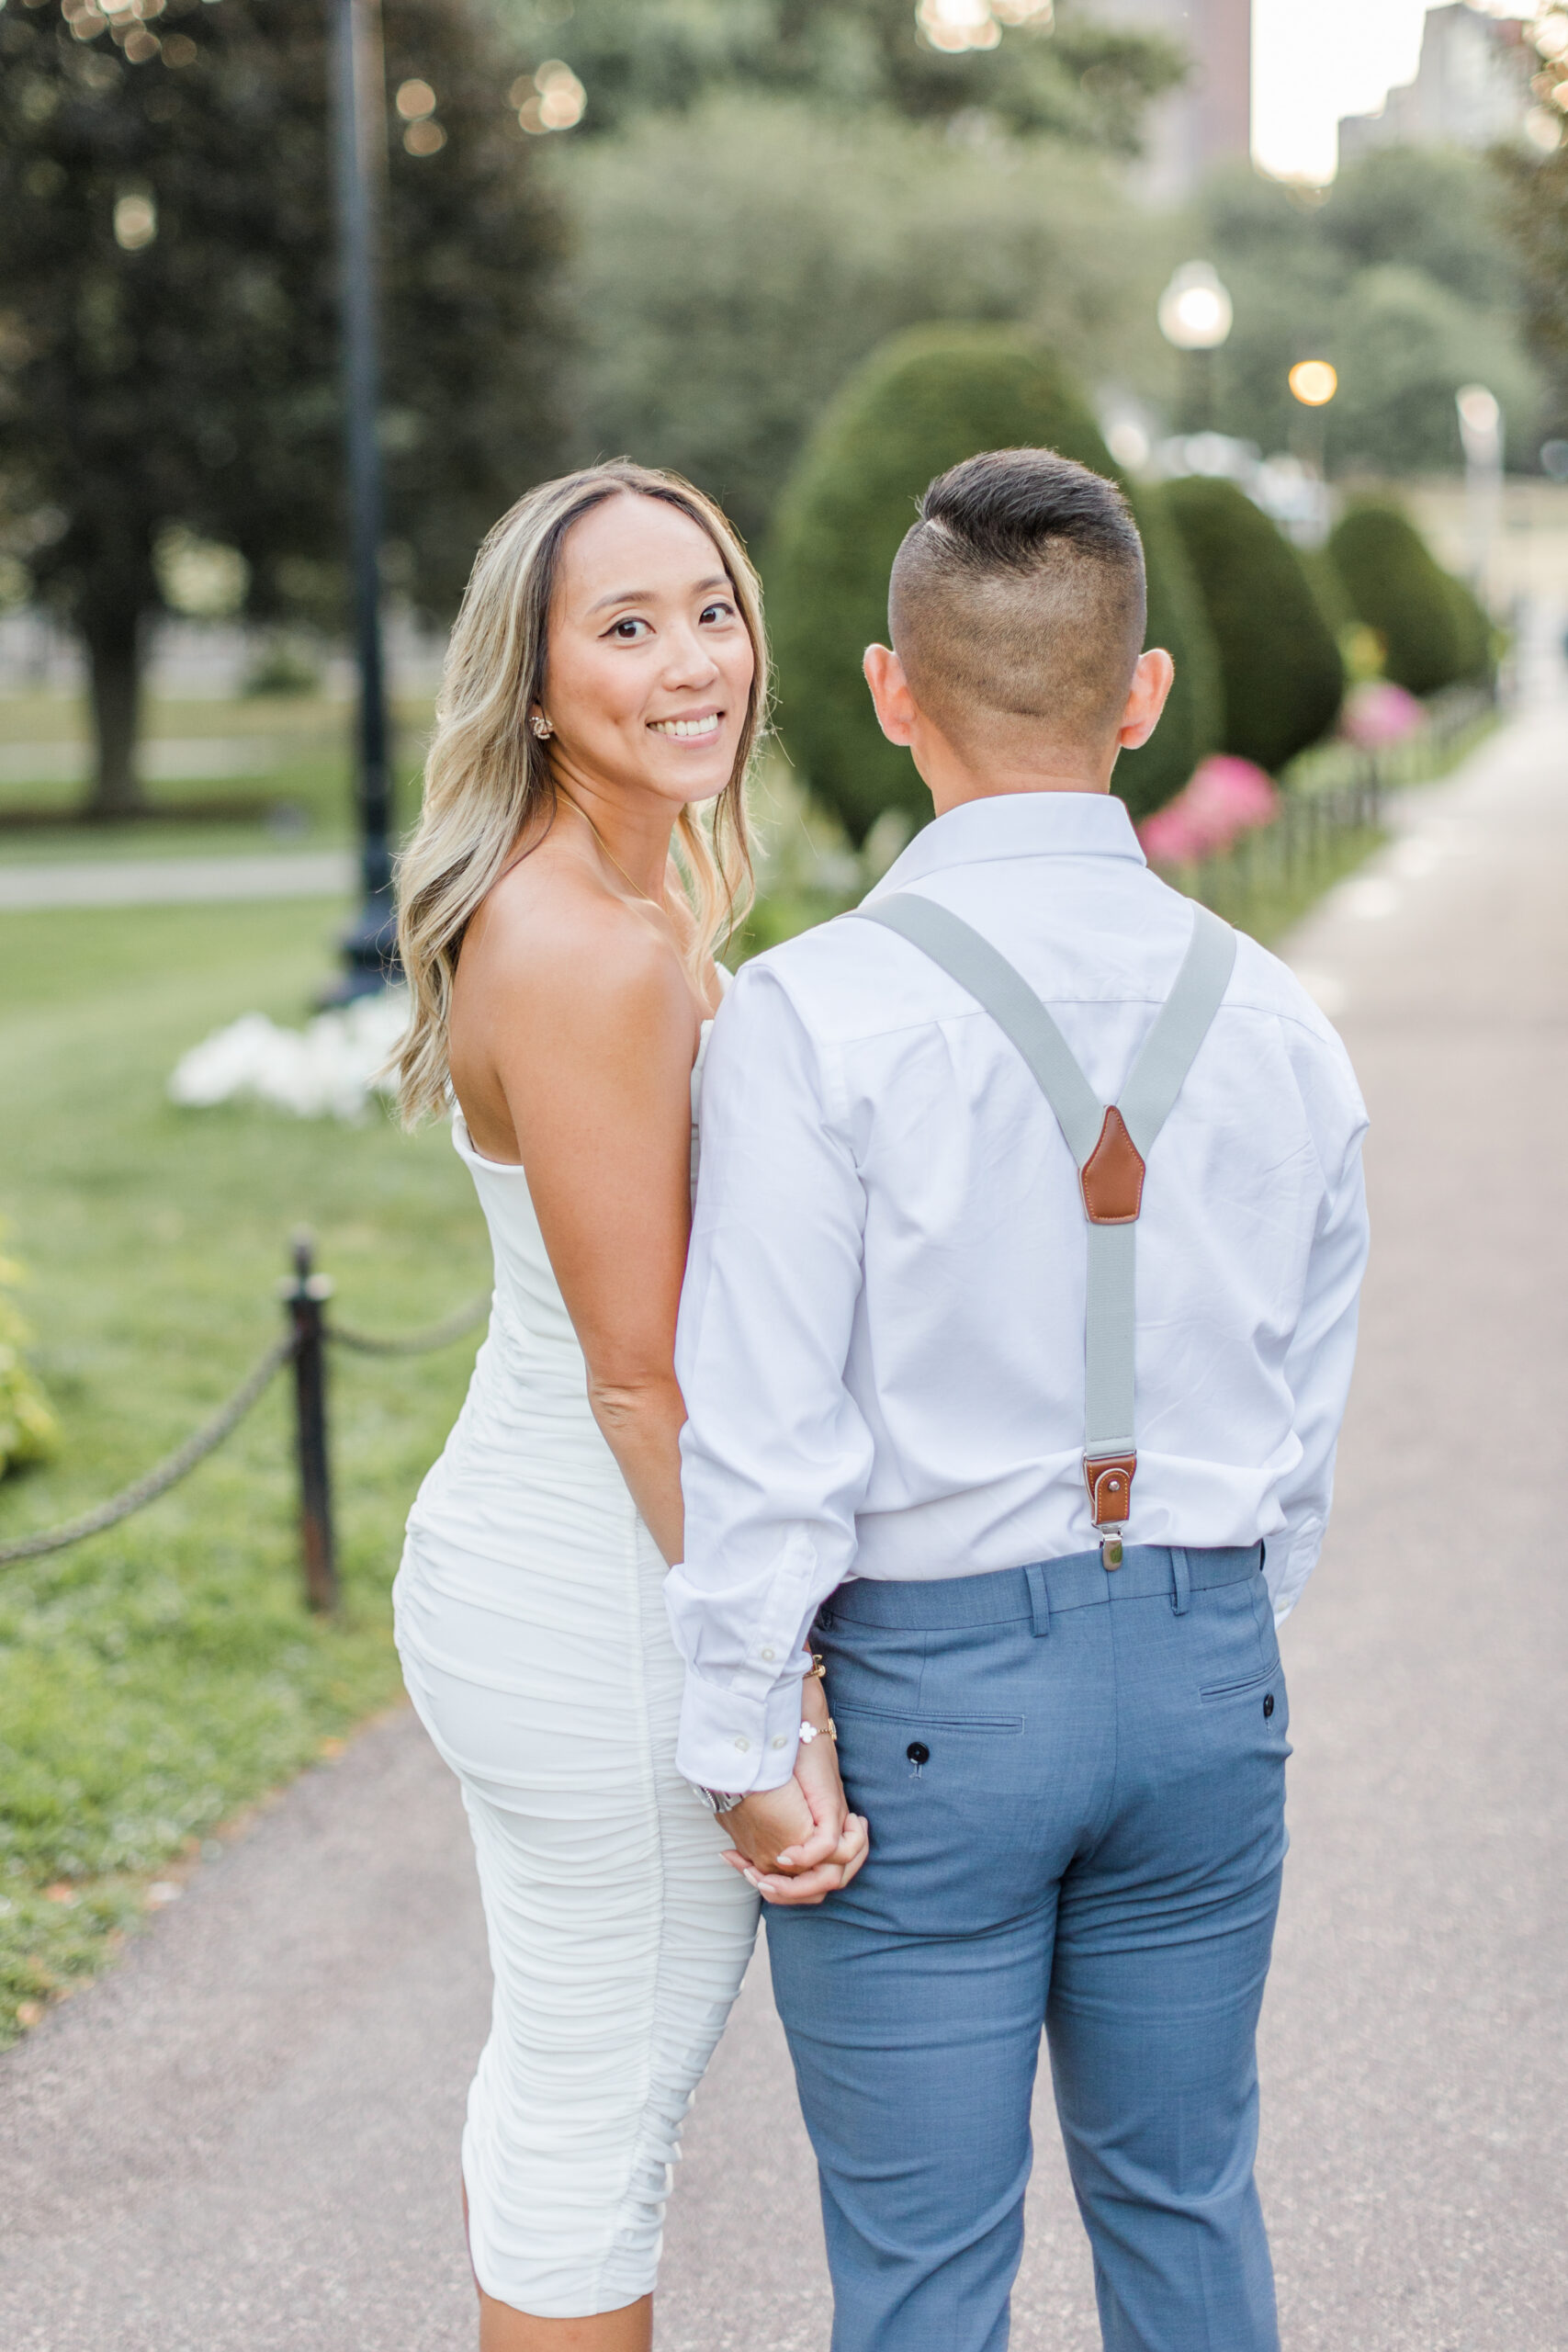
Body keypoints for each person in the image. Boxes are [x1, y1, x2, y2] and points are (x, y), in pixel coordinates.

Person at [667, 447, 1370, 2351]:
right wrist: (1198, 1618)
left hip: (926, 1709)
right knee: (1185, 2203)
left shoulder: (810, 1014)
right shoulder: (1279, 1021)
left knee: (918, 2274)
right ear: (1142, 697)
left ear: (889, 693)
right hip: (1207, 1658)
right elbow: (1300, 1405)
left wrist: (740, 1732)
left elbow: (763, 1424)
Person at [389, 460, 867, 2352]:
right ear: (529, 681)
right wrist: (768, 1708)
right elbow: (640, 1374)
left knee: (559, 2089)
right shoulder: (582, 946)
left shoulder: (616, 891)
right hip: (603, 1604)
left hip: (558, 1559)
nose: (691, 661)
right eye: (625, 623)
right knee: (604, 2120)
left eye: (711, 608)